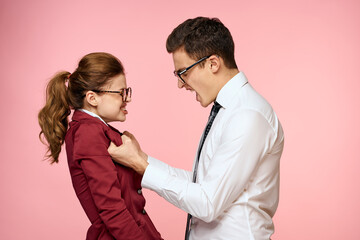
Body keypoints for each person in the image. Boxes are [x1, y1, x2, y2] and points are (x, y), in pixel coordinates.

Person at [108, 17, 285, 240]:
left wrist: (141, 165)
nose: (180, 84)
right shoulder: (228, 110)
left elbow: (208, 204)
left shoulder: (247, 115)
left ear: (213, 64)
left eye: (183, 72)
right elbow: (200, 184)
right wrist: (142, 159)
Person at [38, 52, 163, 240]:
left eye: (127, 91)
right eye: (121, 92)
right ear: (92, 98)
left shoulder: (95, 130)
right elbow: (111, 210)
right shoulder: (88, 133)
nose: (127, 99)